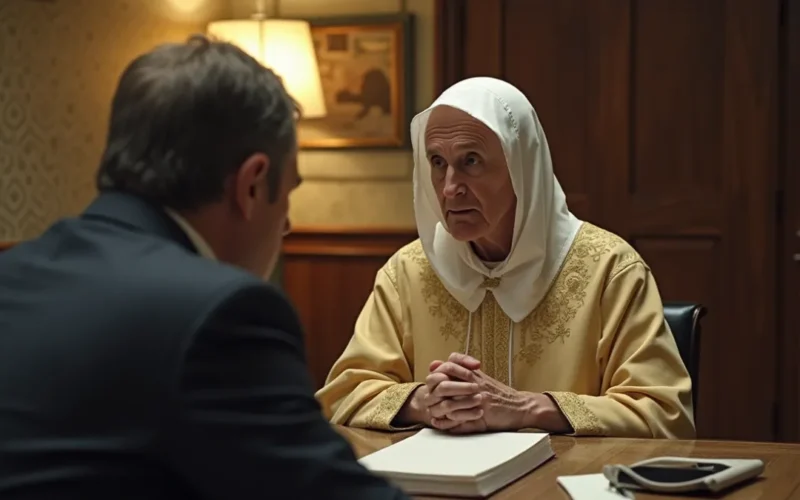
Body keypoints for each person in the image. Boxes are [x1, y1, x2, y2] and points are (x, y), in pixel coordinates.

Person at [0, 36, 407, 500]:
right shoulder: (220, 314)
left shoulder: (13, 272)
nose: (288, 223)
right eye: (288, 194)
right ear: (252, 185)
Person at [316, 77, 696, 439]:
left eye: (471, 161)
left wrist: (526, 408)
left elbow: (665, 414)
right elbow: (343, 396)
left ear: (522, 168)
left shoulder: (610, 270)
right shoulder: (408, 272)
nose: (449, 188)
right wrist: (425, 402)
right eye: (437, 162)